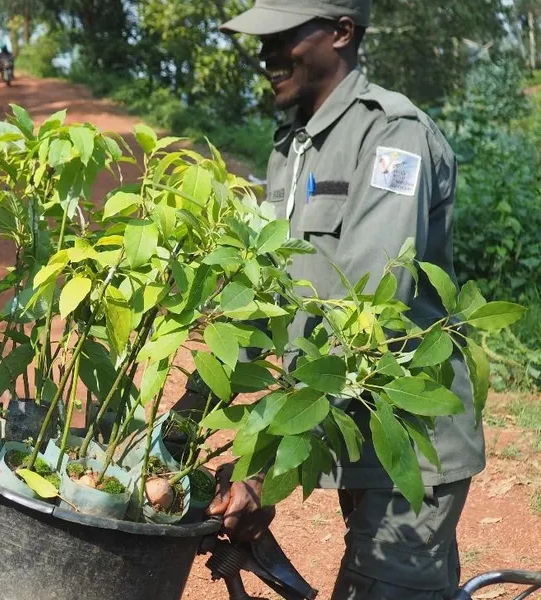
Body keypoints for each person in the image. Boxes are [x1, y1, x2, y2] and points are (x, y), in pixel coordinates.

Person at [179, 1, 482, 598]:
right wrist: (181, 420)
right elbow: (260, 292)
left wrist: (260, 471)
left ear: (341, 33)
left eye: (282, 36)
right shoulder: (295, 143)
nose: (265, 54)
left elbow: (365, 318)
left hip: (410, 447)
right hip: (349, 438)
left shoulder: (393, 135)